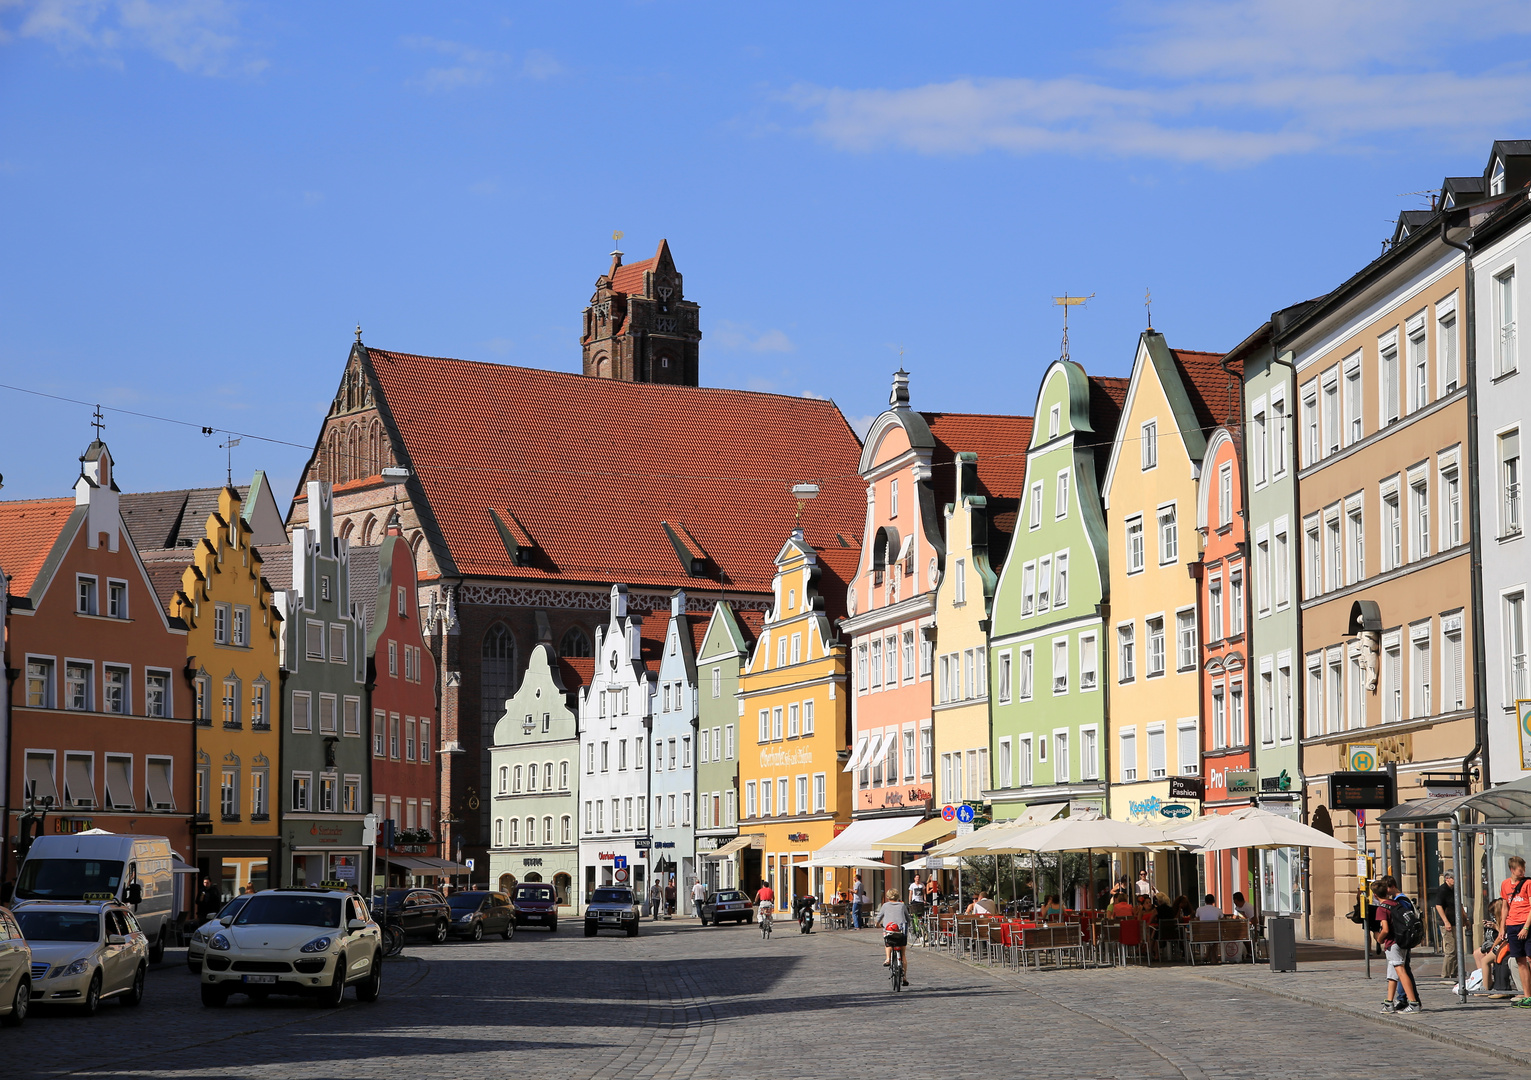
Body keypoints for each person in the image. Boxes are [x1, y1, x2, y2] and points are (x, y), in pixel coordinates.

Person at [1374, 877, 1421, 1012]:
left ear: (1375, 895)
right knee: (1392, 974)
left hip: (1392, 943)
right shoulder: (1395, 904)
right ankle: (1389, 1003)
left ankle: (1413, 1003)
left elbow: (1386, 929)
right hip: (1401, 941)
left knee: (1400, 971)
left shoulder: (1382, 909)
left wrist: (1379, 939)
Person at [1498, 855, 1531, 1004]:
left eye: (1523, 869)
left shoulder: (1528, 883)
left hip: (1526, 923)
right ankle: (1527, 994)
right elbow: (1505, 906)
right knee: (1520, 960)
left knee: (1530, 958)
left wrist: (1526, 927)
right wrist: (1502, 926)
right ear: (1512, 869)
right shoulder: (1505, 884)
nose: (1523, 871)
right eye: (1519, 869)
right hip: (1512, 924)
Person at [1432, 870, 1462, 981]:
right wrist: (1446, 921)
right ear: (1447, 878)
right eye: (1453, 878)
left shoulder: (1454, 889)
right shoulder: (1442, 890)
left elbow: (1459, 903)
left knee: (1457, 949)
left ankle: (1453, 973)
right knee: (1451, 948)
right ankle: (1445, 975)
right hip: (1447, 922)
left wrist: (1465, 919)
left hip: (1455, 921)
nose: (1455, 880)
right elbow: (1438, 906)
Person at [876, 890, 910, 987]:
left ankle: (887, 958)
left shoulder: (885, 906)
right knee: (903, 954)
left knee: (888, 943)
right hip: (901, 932)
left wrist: (877, 924)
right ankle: (904, 977)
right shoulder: (902, 905)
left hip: (889, 931)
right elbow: (908, 918)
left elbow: (878, 918)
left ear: (888, 897)